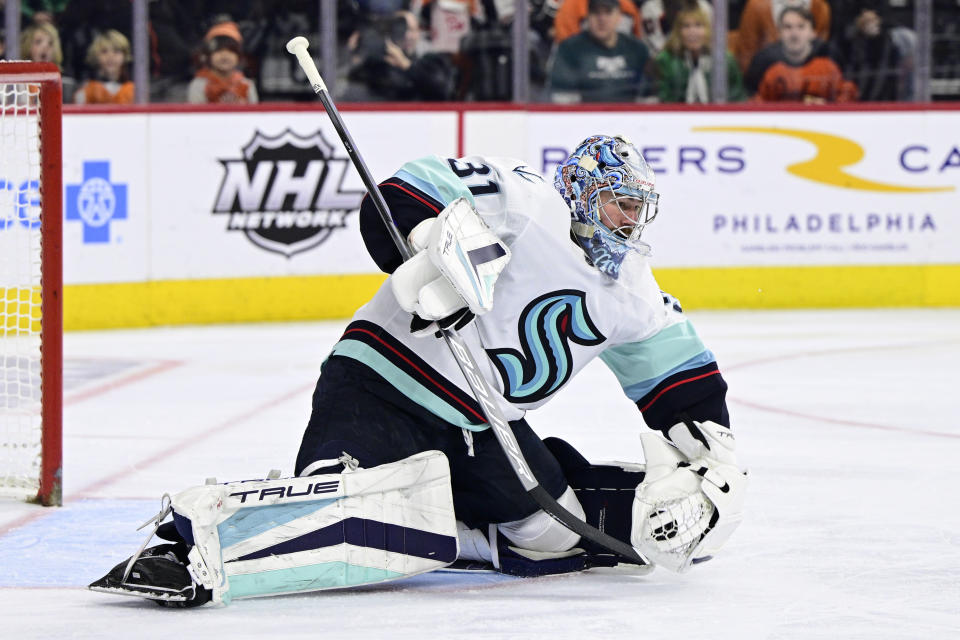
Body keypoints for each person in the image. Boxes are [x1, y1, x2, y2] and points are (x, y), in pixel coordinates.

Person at [89, 135, 748, 606]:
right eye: (620, 203)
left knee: (550, 535)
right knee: (345, 506)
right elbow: (406, 192)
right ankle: (192, 544)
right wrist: (431, 246)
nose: (632, 222)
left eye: (640, 207)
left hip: (482, 424)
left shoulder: (630, 289)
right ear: (582, 190)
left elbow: (681, 378)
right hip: (381, 383)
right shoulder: (526, 201)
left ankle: (455, 527)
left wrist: (711, 461)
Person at [745, 6, 857, 103]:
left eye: (801, 27)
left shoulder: (829, 57)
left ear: (813, 33)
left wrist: (827, 107)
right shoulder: (764, 62)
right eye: (788, 27)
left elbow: (848, 95)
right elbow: (753, 101)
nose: (794, 34)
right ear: (779, 33)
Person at [342, 9, 457, 101]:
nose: (407, 36)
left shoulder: (429, 60)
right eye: (402, 29)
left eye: (412, 30)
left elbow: (442, 90)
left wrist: (407, 65)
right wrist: (354, 55)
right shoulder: (377, 61)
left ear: (419, 32)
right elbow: (348, 84)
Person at [548, 0, 652, 103]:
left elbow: (649, 96)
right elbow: (562, 98)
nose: (602, 19)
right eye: (595, 13)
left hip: (631, 116)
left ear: (619, 17)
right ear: (587, 17)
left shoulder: (637, 49)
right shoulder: (569, 49)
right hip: (584, 116)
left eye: (608, 12)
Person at [655, 4, 746, 103]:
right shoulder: (665, 61)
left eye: (698, 25)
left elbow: (737, 97)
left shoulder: (725, 60)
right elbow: (662, 98)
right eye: (686, 26)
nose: (692, 32)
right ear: (678, 32)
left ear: (708, 30)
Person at [734, 0, 831, 73]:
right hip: (766, 85)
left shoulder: (820, 7)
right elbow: (746, 55)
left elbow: (821, 52)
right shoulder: (756, 6)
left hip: (811, 85)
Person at [186, 21, 258, 104]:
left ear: (239, 56)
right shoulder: (199, 85)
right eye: (219, 51)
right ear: (208, 56)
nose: (225, 56)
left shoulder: (247, 85)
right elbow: (196, 115)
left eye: (231, 51)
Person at [74, 30, 135, 105]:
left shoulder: (135, 91)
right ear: (95, 56)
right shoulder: (86, 91)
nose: (110, 56)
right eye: (104, 51)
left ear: (125, 56)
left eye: (116, 51)